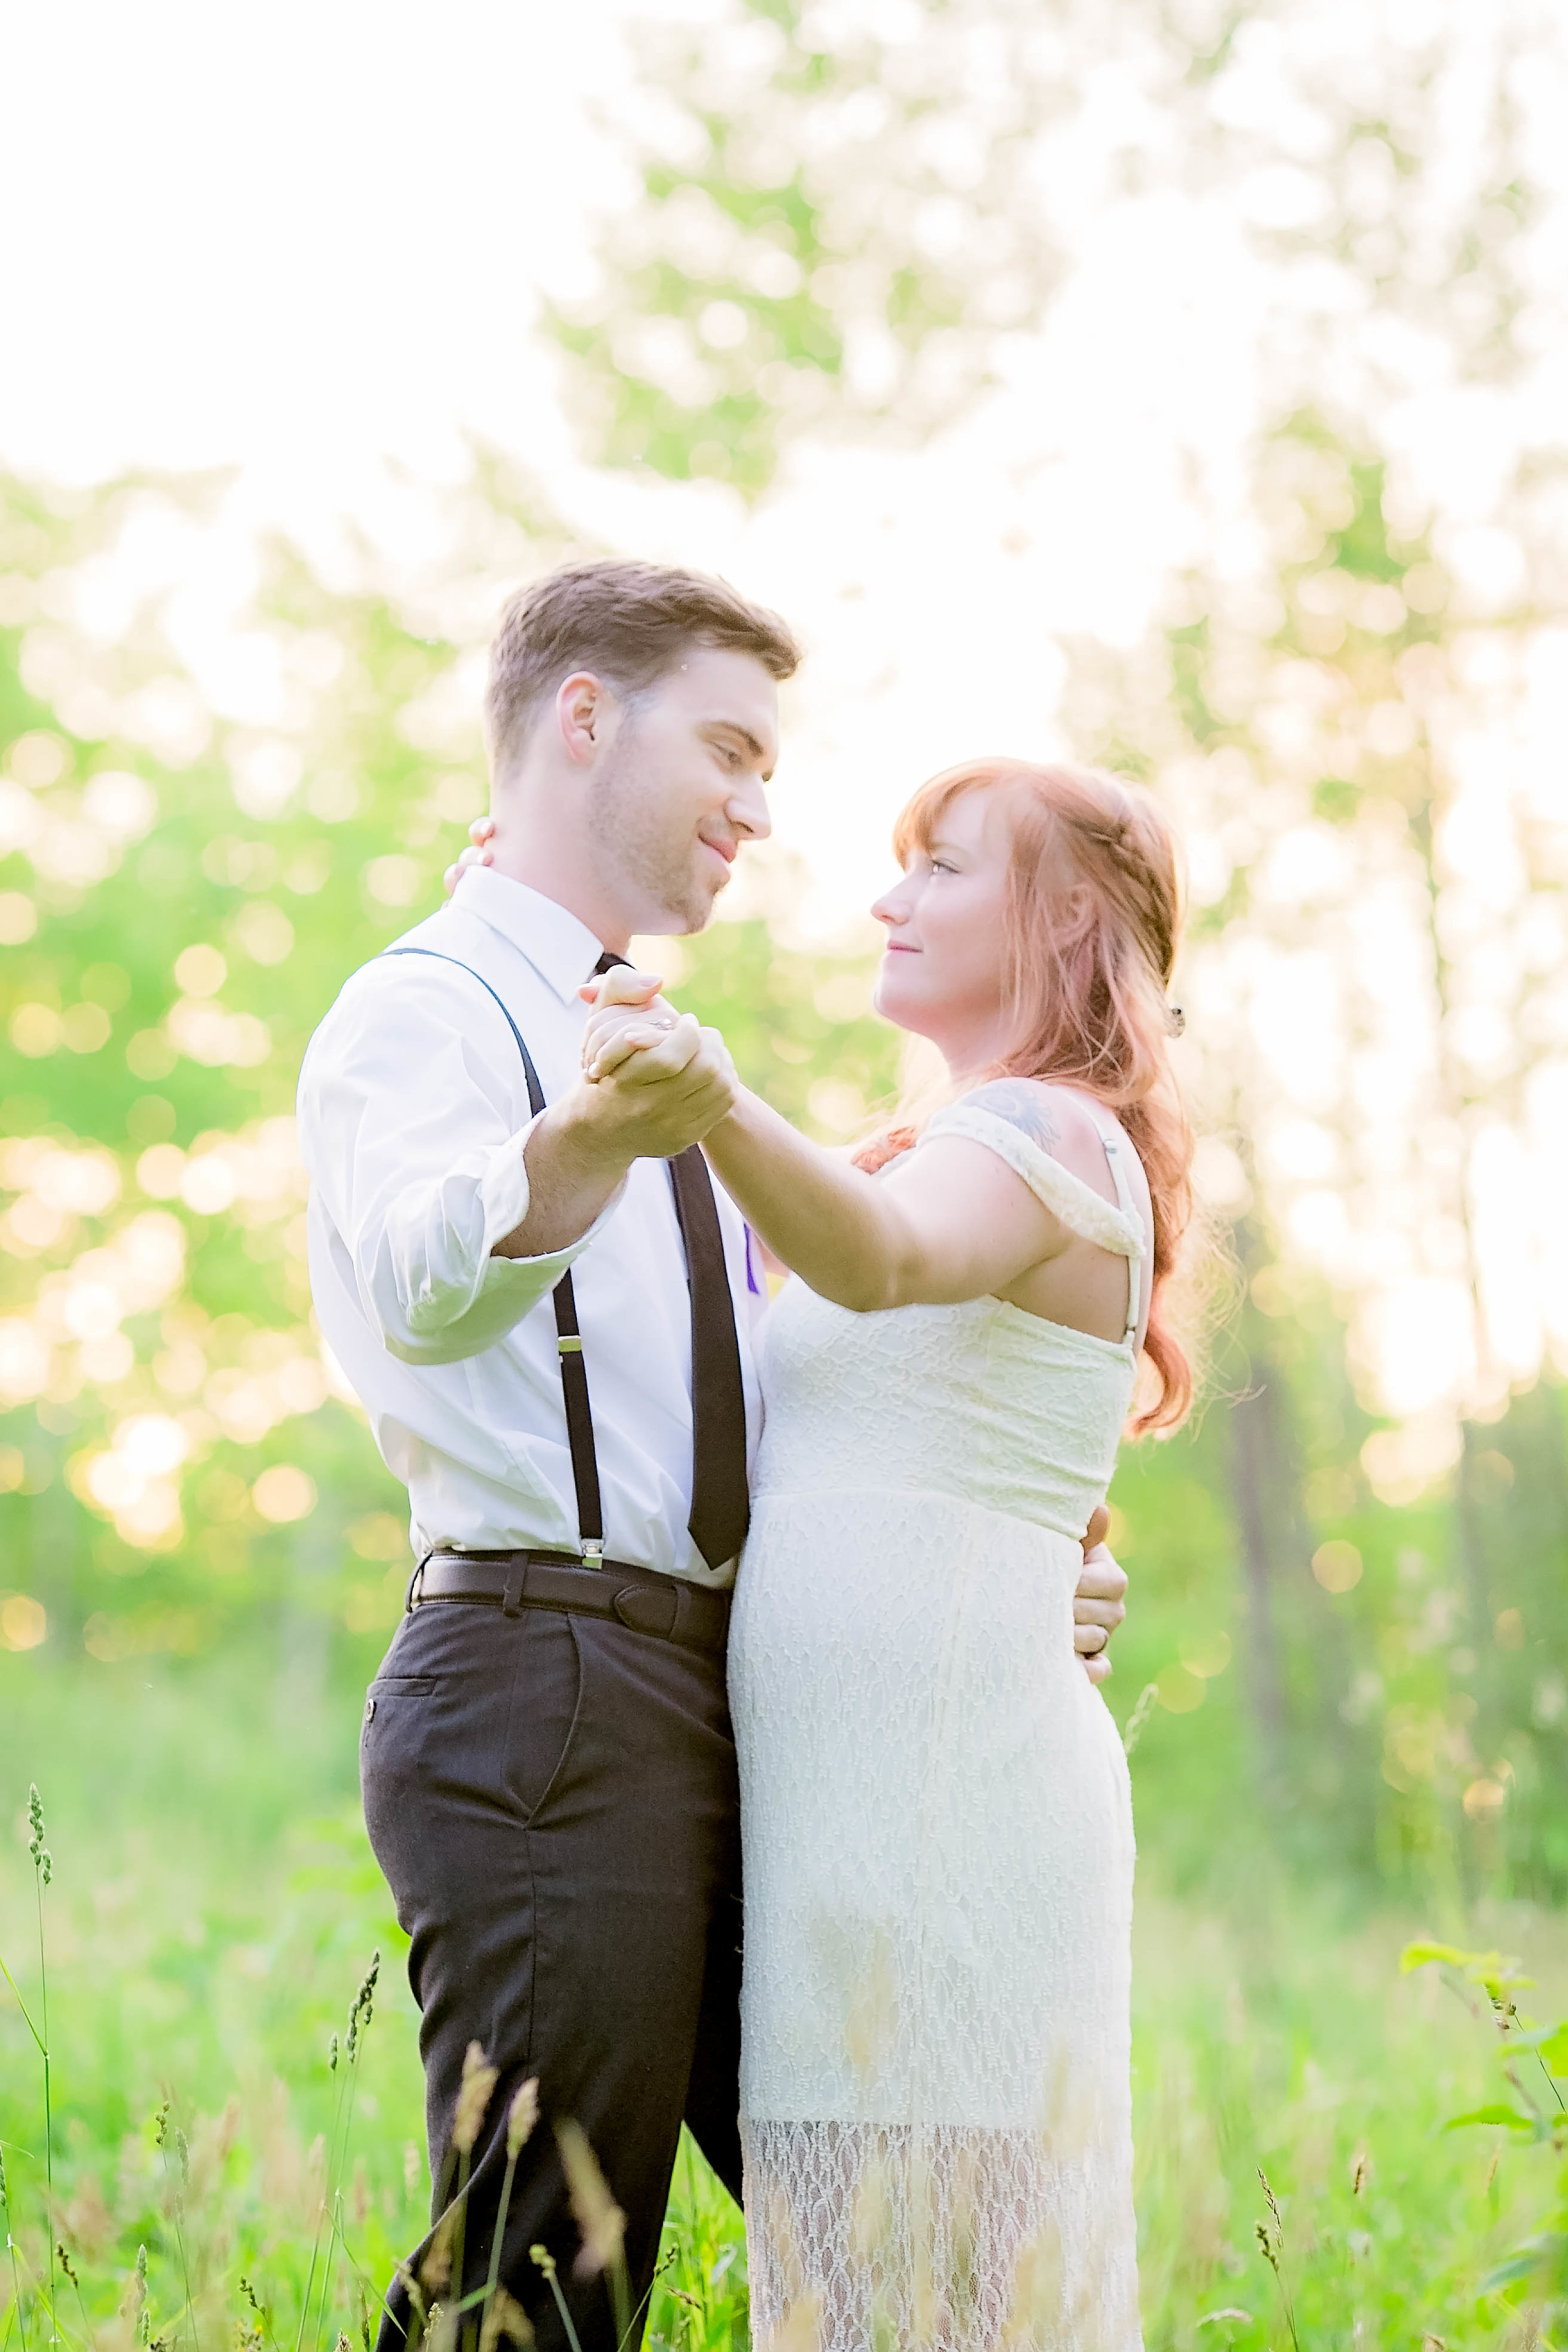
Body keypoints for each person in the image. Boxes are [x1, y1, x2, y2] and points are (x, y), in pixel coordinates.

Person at [296, 558, 1130, 2352]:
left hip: (744, 1705)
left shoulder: (664, 1049)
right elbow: (425, 1279)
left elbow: (776, 1394)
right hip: (548, 1676)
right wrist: (584, 1137)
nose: (763, 811)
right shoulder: (430, 1009)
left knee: (887, 2230)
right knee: (546, 2267)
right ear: (584, 716)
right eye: (732, 749)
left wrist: (1006, 1550)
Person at [579, 756, 1195, 2348]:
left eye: (941, 870)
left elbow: (892, 1267)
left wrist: (705, 1091)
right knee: (859, 2297)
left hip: (949, 1810)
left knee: (942, 2293)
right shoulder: (921, 1142)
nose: (886, 901)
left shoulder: (1049, 1125)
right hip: (847, 1819)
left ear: (1062, 924)